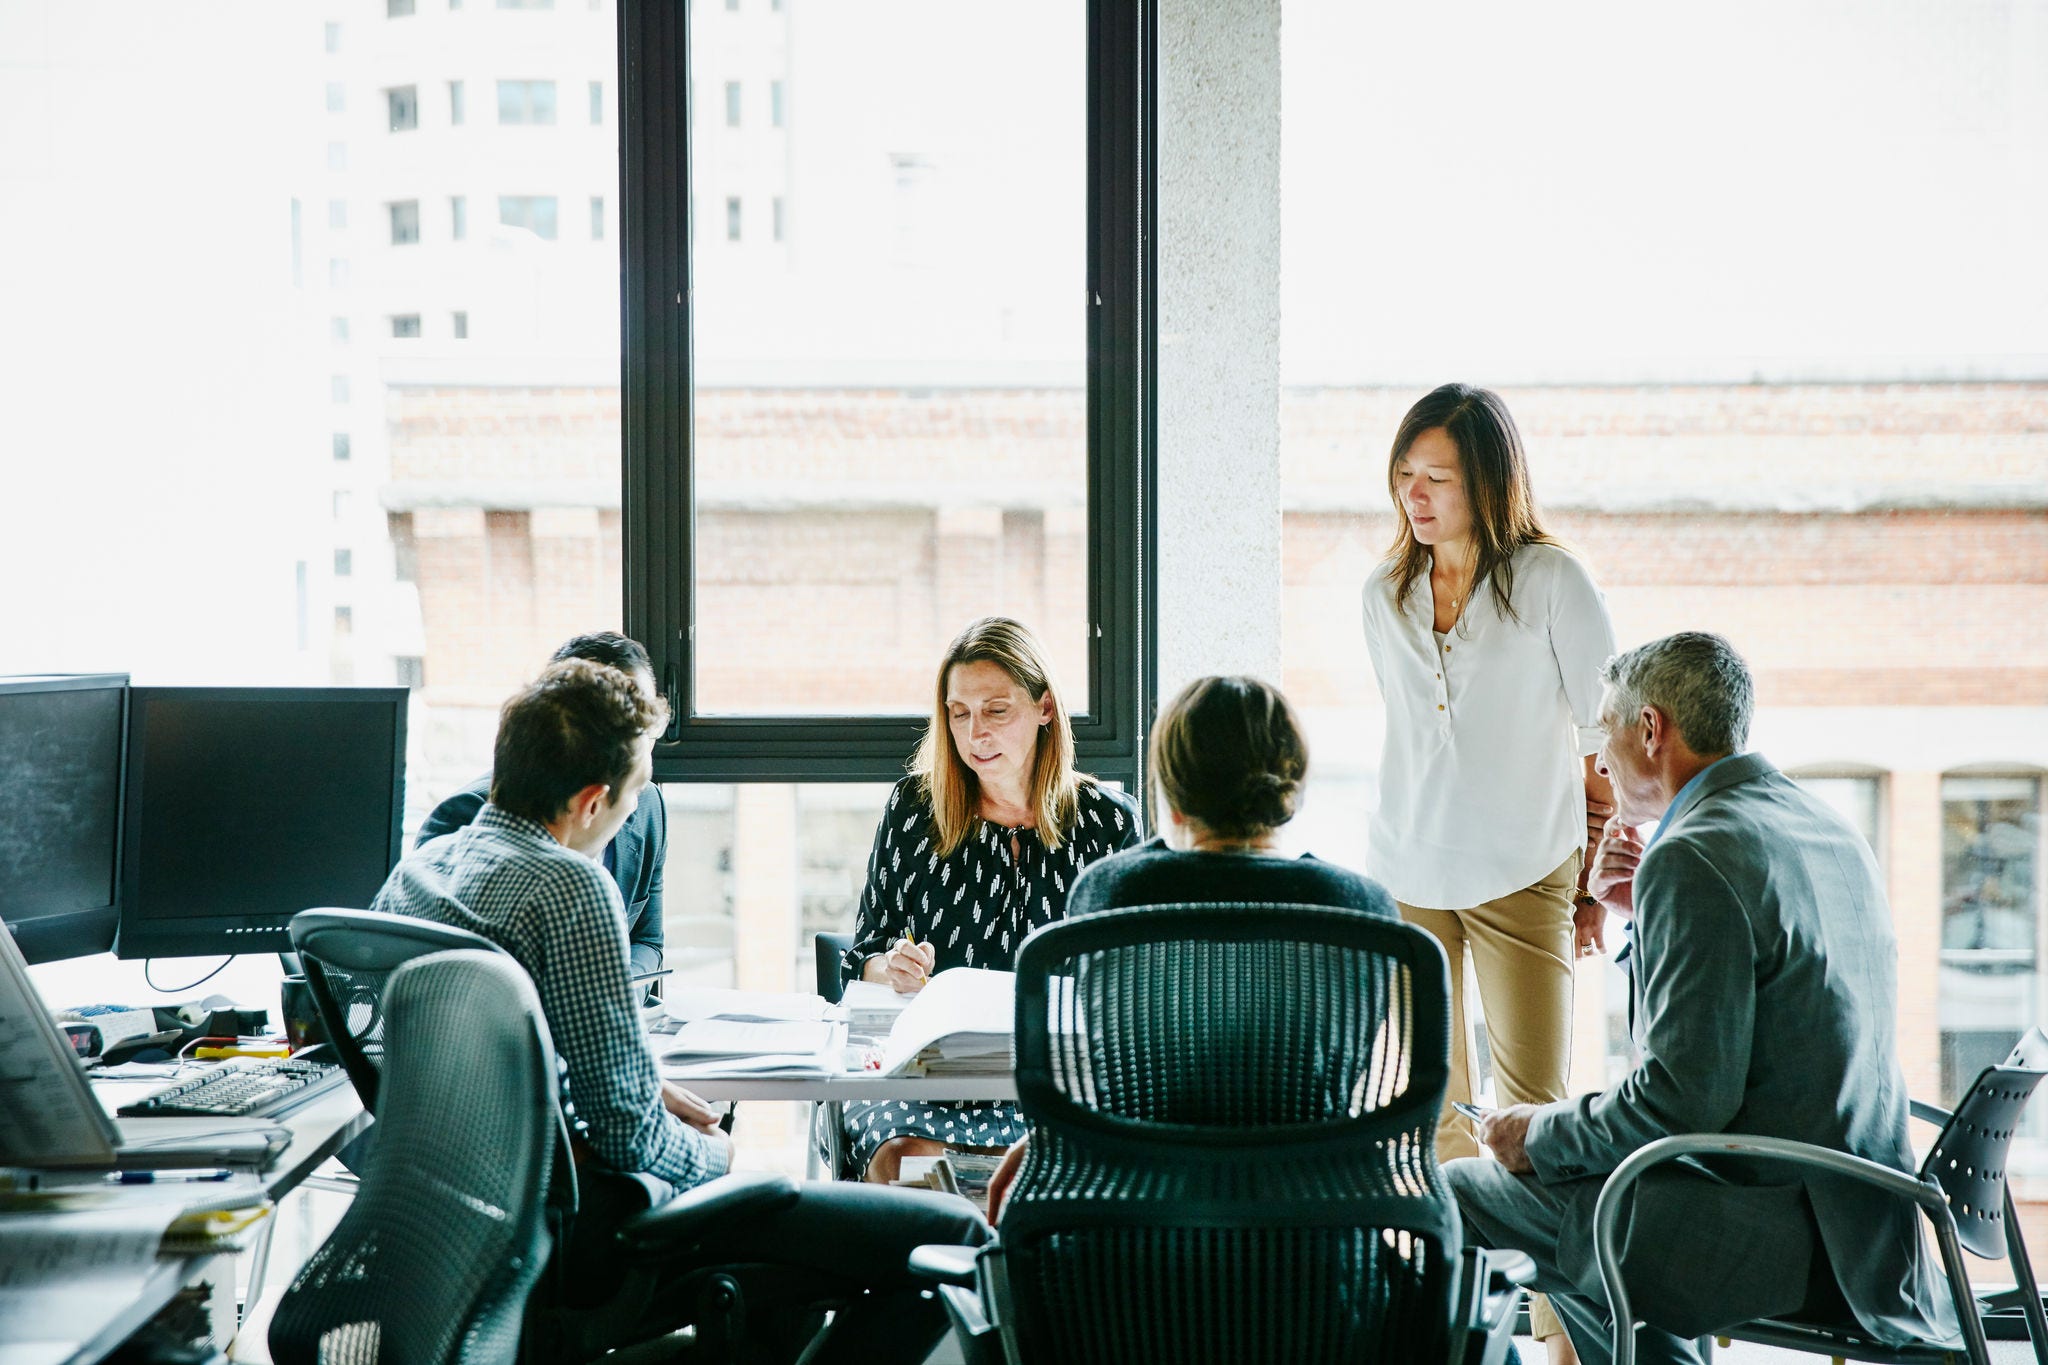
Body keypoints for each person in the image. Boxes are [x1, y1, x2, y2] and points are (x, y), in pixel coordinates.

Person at [376, 659, 988, 1365]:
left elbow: (484, 1065)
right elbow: (632, 1137)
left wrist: (633, 1080)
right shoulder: (569, 887)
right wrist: (719, 1154)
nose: (638, 807)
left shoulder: (418, 875)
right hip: (585, 1228)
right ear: (592, 802)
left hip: (463, 1233)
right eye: (637, 791)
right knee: (953, 1238)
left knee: (782, 1295)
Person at [1446, 632, 1961, 1365]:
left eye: (1605, 732)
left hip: (1779, 1236)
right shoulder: (1825, 826)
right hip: (1874, 1224)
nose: (1599, 763)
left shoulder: (1692, 854)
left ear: (1650, 729)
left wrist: (1536, 1134)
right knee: (1589, 1203)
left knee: (1458, 1192)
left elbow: (1678, 1102)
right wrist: (1639, 914)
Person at [1361, 383, 1618, 1360]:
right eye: (1405, 476)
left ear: (1489, 481)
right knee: (1431, 1110)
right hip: (1407, 870)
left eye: (1438, 477)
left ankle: (1562, 1341)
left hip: (1526, 870)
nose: (1416, 496)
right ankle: (1453, 1334)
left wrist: (1591, 885)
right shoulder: (1381, 593)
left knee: (1538, 1121)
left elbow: (1602, 743)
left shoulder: (1553, 581)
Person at [985, 673, 1398, 1220]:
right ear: (1290, 790)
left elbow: (1128, 1076)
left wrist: (1059, 1137)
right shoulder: (1361, 908)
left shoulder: (1109, 894)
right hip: (1315, 1238)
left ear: (1174, 799)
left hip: (1136, 1236)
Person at [843, 616, 1139, 1183]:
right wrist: (892, 966)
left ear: (1044, 707)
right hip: (932, 1079)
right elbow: (864, 952)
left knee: (1092, 1157)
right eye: (959, 714)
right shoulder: (914, 809)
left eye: (996, 711)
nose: (976, 733)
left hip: (1058, 1078)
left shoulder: (1108, 822)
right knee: (905, 1156)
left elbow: (1132, 978)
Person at [418, 631, 667, 994]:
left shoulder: (414, 871)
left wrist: (619, 991)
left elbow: (647, 940)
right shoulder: (582, 886)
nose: (634, 739)